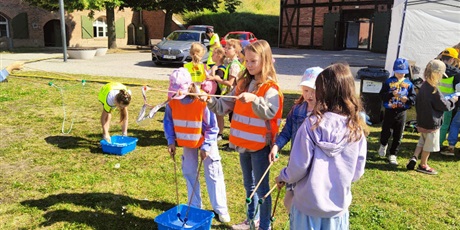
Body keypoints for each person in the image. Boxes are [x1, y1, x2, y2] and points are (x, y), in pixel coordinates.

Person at [275, 63, 368, 229]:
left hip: (307, 208)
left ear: (322, 91)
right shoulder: (356, 129)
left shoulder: (311, 124)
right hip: (337, 209)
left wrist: (283, 176)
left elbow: (298, 167)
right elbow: (357, 172)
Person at [204, 40, 283, 230]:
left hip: (259, 146)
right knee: (249, 185)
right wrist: (209, 100)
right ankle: (251, 221)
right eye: (246, 60)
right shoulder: (242, 83)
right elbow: (224, 105)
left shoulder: (270, 89)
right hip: (243, 144)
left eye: (253, 61)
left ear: (265, 61)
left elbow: (270, 112)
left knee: (262, 190)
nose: (248, 65)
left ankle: (264, 226)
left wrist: (255, 99)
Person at [163, 67, 231, 223]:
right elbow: (168, 121)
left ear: (189, 86)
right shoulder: (173, 101)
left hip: (206, 141)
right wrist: (171, 140)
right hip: (188, 142)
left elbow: (213, 127)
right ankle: (194, 205)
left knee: (213, 173)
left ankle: (221, 209)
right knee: (189, 171)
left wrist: (206, 146)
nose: (177, 94)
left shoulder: (201, 101)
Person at [269, 66, 323, 212]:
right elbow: (286, 132)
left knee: (306, 204)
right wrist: (276, 146)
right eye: (306, 90)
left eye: (314, 91)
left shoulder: (326, 113)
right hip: (296, 161)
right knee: (289, 201)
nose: (309, 95)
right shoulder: (298, 109)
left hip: (314, 166)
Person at [406, 60, 457, 175]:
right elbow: (444, 106)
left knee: (421, 141)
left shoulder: (423, 85)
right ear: (437, 74)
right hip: (432, 123)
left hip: (422, 121)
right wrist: (453, 100)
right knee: (428, 146)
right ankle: (423, 164)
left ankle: (414, 157)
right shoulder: (434, 90)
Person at [378, 58, 416, 165]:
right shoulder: (388, 82)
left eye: (403, 73)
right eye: (398, 72)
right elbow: (381, 95)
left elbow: (413, 98)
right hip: (389, 111)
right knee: (386, 131)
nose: (400, 75)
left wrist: (407, 100)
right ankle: (383, 144)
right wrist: (391, 95)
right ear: (394, 71)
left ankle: (393, 154)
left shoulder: (409, 84)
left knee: (398, 134)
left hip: (401, 112)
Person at [435, 48, 459, 154]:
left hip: (434, 100)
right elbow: (458, 89)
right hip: (448, 103)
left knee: (434, 123)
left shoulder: (435, 68)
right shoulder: (457, 73)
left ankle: (430, 143)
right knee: (444, 124)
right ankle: (438, 145)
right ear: (453, 60)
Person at [206, 47, 226, 140]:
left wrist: (213, 71)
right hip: (211, 93)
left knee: (219, 114)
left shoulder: (221, 68)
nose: (211, 56)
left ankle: (220, 133)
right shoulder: (213, 65)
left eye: (213, 54)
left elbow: (217, 78)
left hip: (218, 94)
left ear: (218, 56)